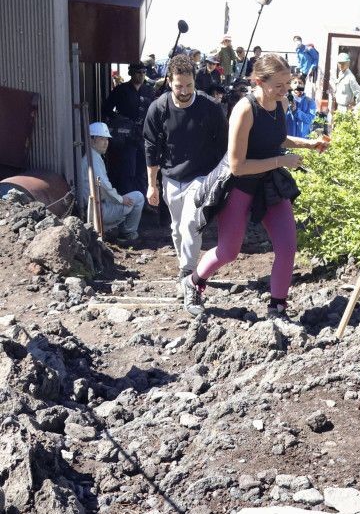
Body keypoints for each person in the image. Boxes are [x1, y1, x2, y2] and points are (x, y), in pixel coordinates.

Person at [182, 54, 328, 318]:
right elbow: (238, 165)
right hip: (239, 185)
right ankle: (193, 282)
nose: (285, 91)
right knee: (229, 251)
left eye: (288, 84)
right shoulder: (244, 110)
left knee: (287, 246)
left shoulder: (281, 103)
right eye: (280, 86)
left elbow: (277, 139)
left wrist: (308, 143)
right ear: (259, 81)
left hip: (269, 183)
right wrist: (281, 161)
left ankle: (278, 306)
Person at [143, 54, 228, 290]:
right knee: (177, 228)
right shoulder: (158, 109)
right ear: (169, 81)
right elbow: (151, 147)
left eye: (189, 85)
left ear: (195, 82)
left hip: (201, 176)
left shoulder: (210, 108)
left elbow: (224, 146)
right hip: (171, 176)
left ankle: (189, 273)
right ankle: (185, 267)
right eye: (179, 85)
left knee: (191, 223)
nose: (184, 91)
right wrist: (152, 184)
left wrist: (221, 180)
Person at [79, 122, 145, 243]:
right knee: (138, 197)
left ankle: (120, 230)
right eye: (101, 139)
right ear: (92, 140)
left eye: (107, 139)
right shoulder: (94, 159)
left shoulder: (91, 156)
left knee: (126, 196)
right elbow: (104, 186)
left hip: (93, 208)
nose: (106, 143)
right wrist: (120, 199)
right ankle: (127, 234)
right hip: (99, 210)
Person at [104, 61, 154, 195]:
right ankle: (128, 200)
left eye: (144, 72)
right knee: (127, 170)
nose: (141, 75)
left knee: (142, 171)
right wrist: (120, 120)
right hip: (125, 138)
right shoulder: (121, 90)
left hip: (143, 136)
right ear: (131, 73)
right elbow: (106, 109)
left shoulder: (149, 90)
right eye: (138, 72)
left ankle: (143, 202)